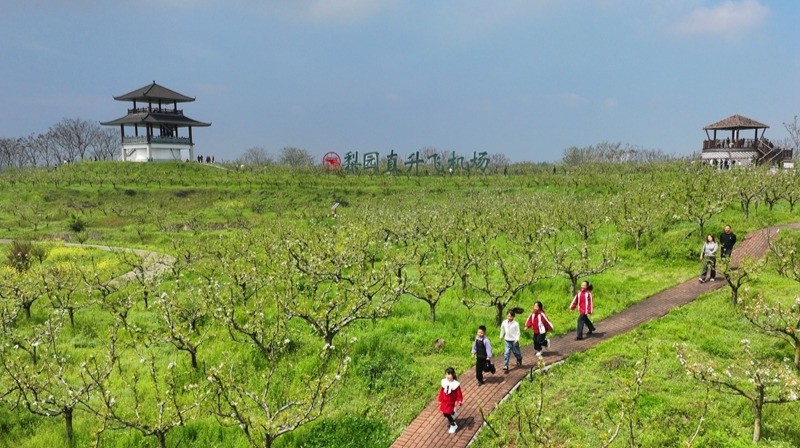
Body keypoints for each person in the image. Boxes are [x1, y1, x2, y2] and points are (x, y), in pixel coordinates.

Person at [437, 367, 463, 434]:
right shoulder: (444, 382)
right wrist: (440, 398)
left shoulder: (455, 384)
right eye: (446, 374)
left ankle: (453, 424)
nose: (448, 376)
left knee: (447, 413)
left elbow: (459, 393)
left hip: (450, 401)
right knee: (444, 413)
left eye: (449, 374)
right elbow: (442, 391)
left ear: (453, 375)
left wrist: (459, 400)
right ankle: (453, 413)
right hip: (444, 400)